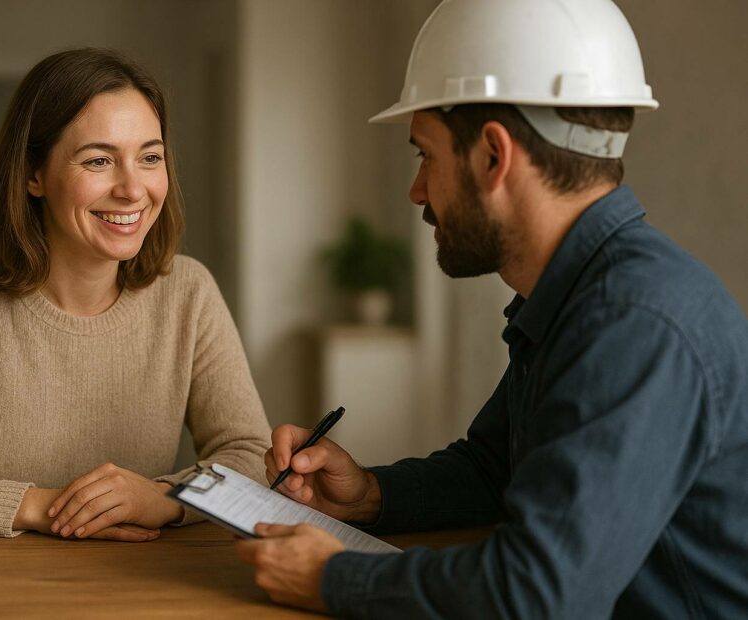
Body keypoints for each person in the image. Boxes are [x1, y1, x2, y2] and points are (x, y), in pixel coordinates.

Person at [236, 0, 748, 617]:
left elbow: (538, 593)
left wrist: (334, 579)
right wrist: (370, 495)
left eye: (425, 154)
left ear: (493, 156)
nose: (416, 190)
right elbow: (492, 470)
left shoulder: (634, 322)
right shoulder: (579, 296)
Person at [0, 48, 271, 541]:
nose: (133, 189)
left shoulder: (190, 293)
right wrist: (48, 508)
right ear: (33, 175)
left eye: (150, 157)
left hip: (133, 588)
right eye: (99, 160)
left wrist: (164, 497)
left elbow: (249, 454)